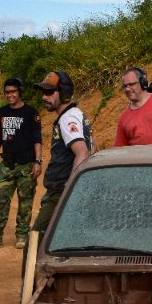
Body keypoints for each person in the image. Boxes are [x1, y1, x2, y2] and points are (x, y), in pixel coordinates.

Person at [32, 70, 92, 234]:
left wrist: (70, 190)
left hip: (60, 193)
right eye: (43, 92)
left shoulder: (67, 119)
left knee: (36, 240)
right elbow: (89, 147)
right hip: (65, 191)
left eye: (49, 92)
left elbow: (82, 152)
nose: (44, 97)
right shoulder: (76, 114)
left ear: (64, 93)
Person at [0, 77, 42, 249]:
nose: (9, 95)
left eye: (13, 92)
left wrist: (38, 161)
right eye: (7, 92)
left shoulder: (31, 112)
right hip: (7, 164)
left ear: (19, 92)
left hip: (27, 165)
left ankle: (22, 236)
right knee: (0, 200)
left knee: (25, 203)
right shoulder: (3, 112)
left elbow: (37, 139)